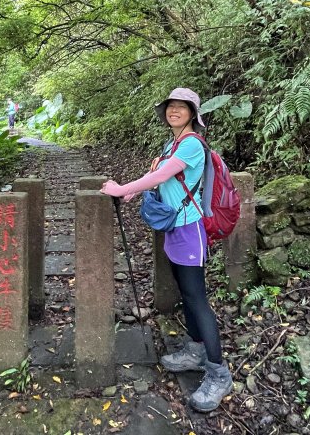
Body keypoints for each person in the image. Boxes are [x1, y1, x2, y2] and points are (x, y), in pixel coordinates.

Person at [100, 87, 233, 413]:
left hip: (190, 231)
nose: (174, 110)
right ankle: (195, 349)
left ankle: (218, 373)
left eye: (181, 107)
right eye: (171, 106)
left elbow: (163, 173)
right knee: (186, 295)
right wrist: (132, 193)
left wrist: (123, 188)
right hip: (175, 229)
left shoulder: (191, 144)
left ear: (192, 114)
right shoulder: (174, 143)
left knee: (197, 297)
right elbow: (160, 177)